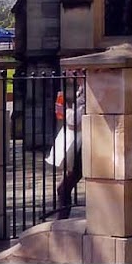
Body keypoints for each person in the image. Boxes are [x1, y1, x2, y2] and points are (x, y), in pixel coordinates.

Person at [48, 75, 84, 218]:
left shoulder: (89, 89)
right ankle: (62, 220)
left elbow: (77, 120)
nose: (69, 72)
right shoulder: (81, 89)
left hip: (85, 146)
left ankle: (62, 221)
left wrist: (66, 111)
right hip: (81, 145)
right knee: (63, 188)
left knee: (63, 188)